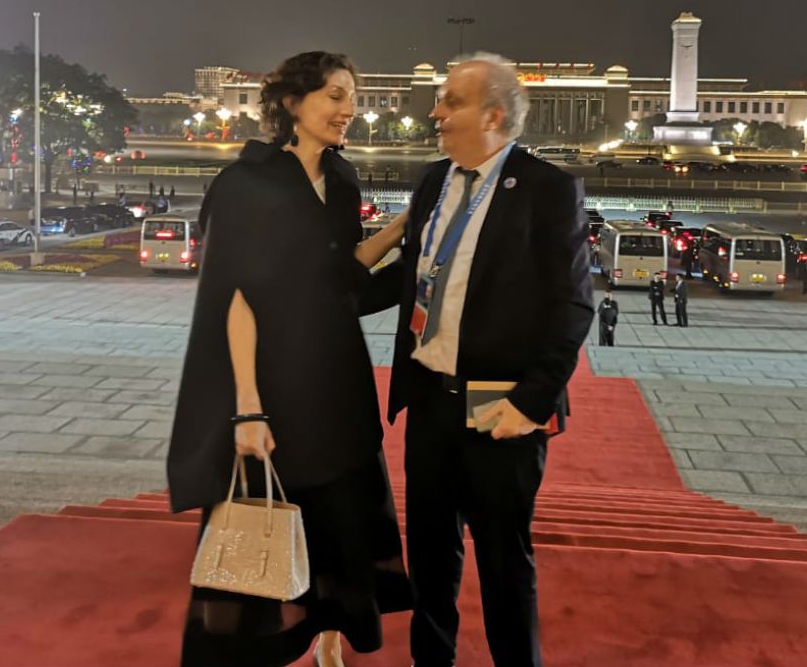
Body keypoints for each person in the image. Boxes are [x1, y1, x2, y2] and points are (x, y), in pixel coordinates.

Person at [167, 52, 412, 667]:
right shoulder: (247, 183)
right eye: (334, 95)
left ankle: (330, 633)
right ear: (291, 104)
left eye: (351, 97)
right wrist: (248, 409)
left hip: (335, 379)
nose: (348, 109)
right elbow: (236, 298)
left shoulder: (344, 177)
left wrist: (405, 229)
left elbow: (341, 274)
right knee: (263, 518)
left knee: (336, 512)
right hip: (270, 380)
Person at [379, 52, 593, 667]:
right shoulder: (430, 181)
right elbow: (414, 278)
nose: (436, 111)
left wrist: (530, 404)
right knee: (430, 562)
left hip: (501, 409)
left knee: (504, 565)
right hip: (430, 403)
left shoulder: (548, 190)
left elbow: (571, 307)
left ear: (494, 115)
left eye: (451, 101)